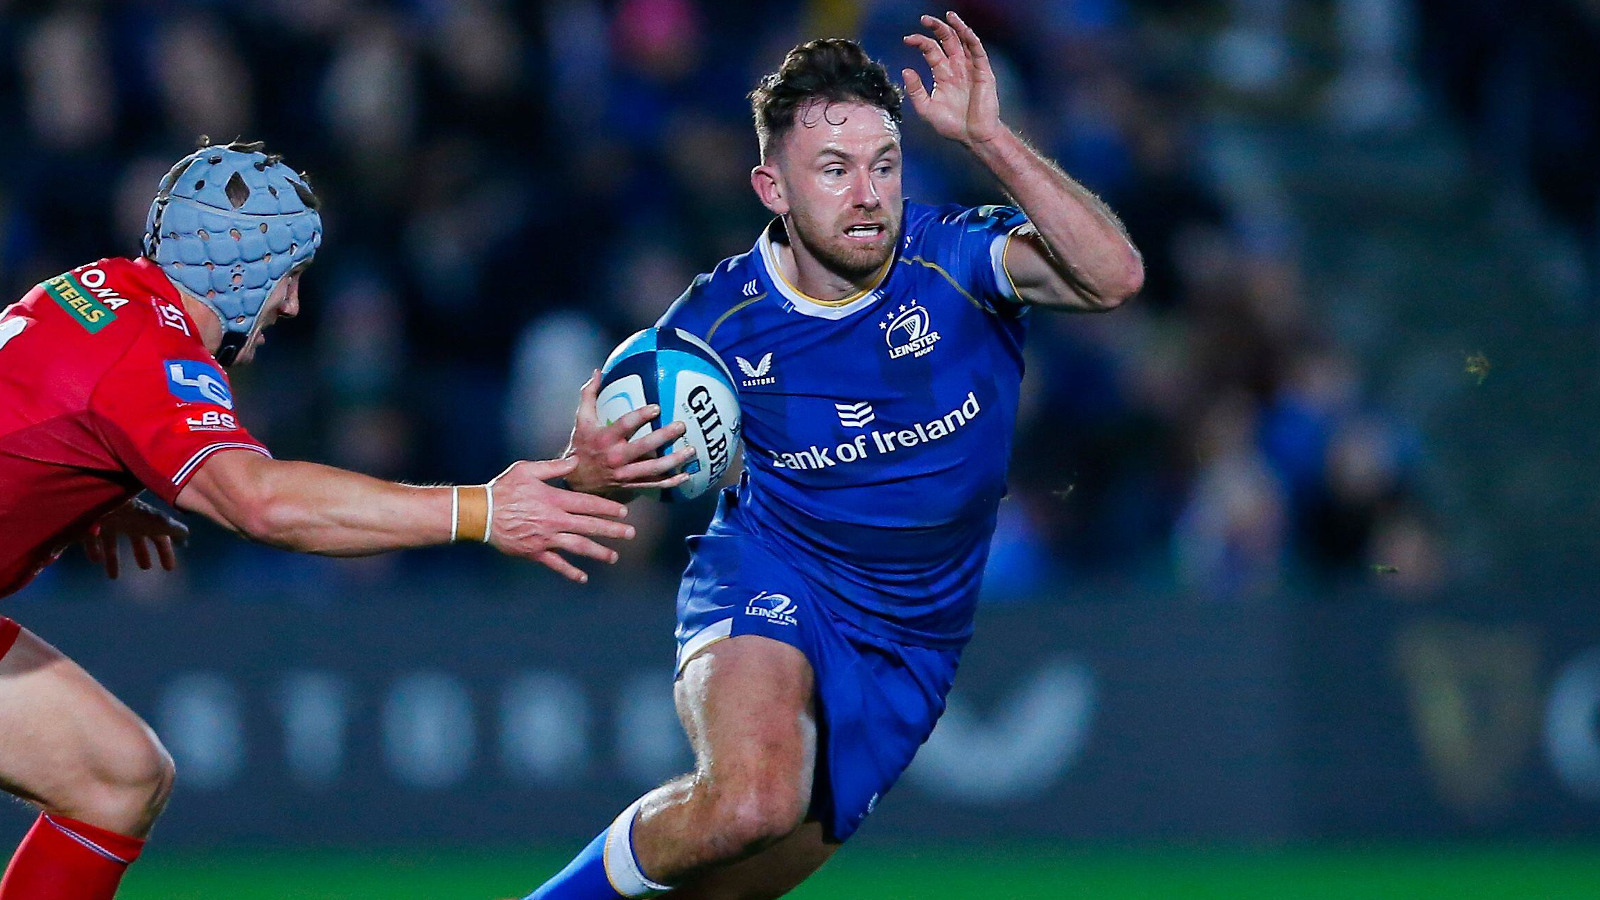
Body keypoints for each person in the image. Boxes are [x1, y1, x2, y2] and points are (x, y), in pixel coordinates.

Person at [529, 13, 1143, 900]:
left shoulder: (954, 256)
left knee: (726, 882)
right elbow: (601, 469)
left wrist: (989, 137)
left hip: (916, 635)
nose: (867, 193)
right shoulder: (711, 329)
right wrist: (591, 472)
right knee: (748, 806)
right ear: (771, 188)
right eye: (834, 168)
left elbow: (1114, 277)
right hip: (774, 571)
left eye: (883, 165)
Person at [0, 140, 685, 900]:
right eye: (287, 278)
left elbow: (38, 405)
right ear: (238, 271)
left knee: (116, 775)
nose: (292, 305)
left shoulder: (95, 291)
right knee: (114, 775)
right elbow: (263, 503)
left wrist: (93, 491)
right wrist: (481, 509)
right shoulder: (152, 353)